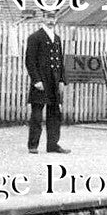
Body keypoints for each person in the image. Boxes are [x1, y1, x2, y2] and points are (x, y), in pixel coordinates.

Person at [25, 11, 70, 154]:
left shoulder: (56, 38)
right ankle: (33, 145)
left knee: (55, 114)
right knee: (37, 115)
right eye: (48, 18)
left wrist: (62, 79)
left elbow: (60, 61)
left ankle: (53, 145)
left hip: (54, 82)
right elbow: (30, 61)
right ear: (42, 19)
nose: (51, 21)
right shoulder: (35, 37)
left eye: (53, 18)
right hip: (41, 81)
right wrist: (36, 80)